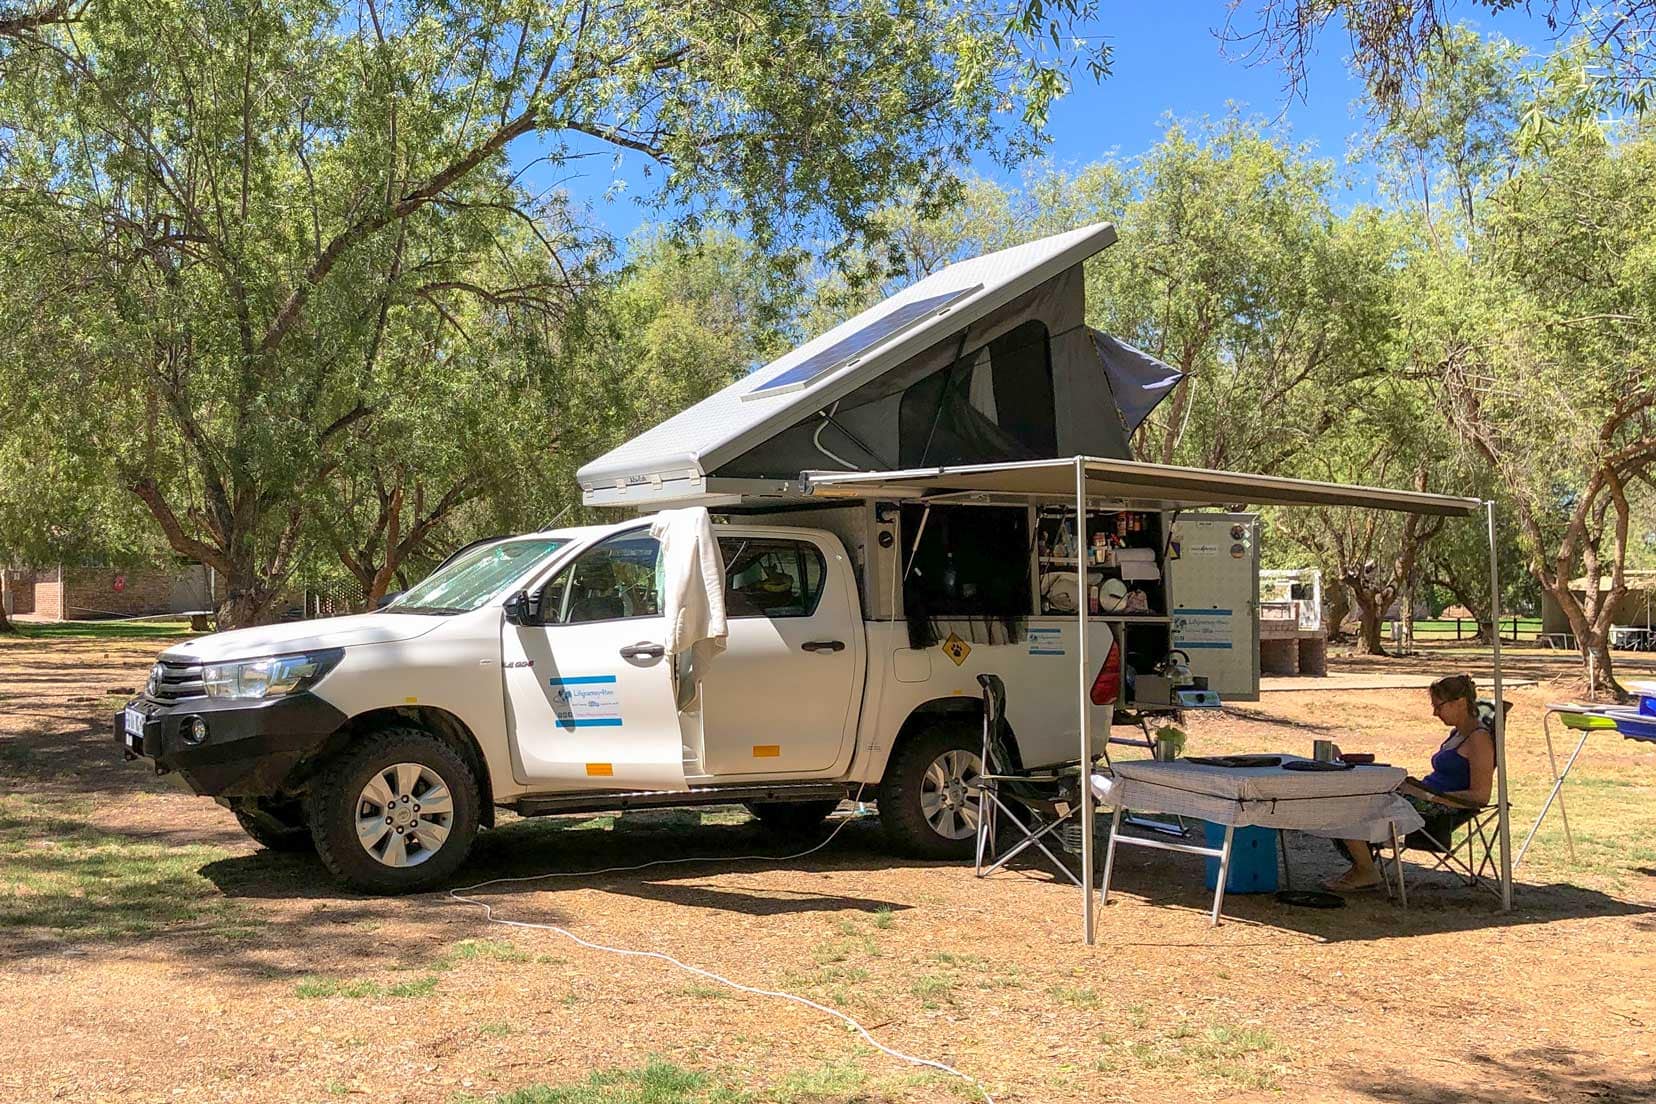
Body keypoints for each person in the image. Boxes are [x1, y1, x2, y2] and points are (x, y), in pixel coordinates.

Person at [1325, 674, 1495, 892]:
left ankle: (1365, 869)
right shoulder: (1458, 734)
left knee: (1353, 805)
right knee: (1353, 795)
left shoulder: (1478, 739)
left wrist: (1431, 795)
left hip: (1439, 806)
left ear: (1460, 702)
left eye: (1439, 706)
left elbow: (1481, 796)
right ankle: (1363, 864)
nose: (1435, 713)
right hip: (1422, 795)